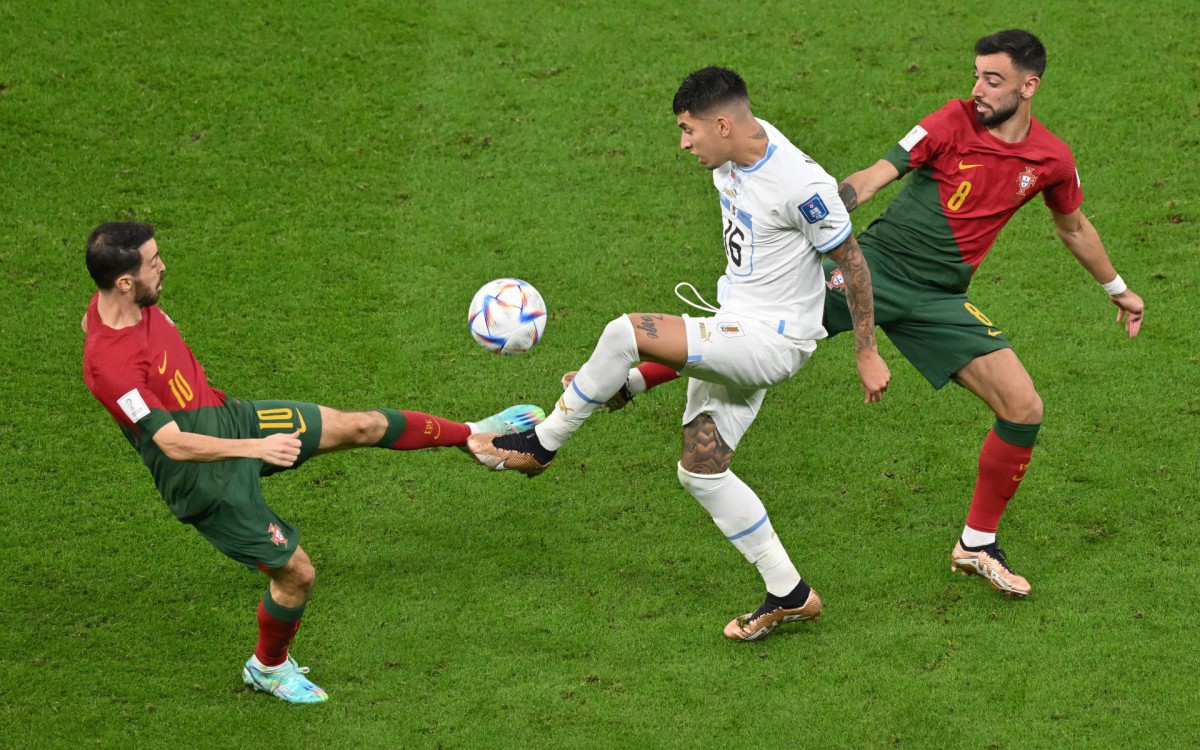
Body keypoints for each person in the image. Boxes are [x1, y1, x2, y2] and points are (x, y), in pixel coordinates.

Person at [569, 31, 1146, 599]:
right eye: (976, 74)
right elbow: (874, 176)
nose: (978, 89)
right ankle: (632, 380)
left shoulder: (1050, 158)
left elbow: (1073, 226)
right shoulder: (949, 121)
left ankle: (977, 543)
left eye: (992, 80)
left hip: (939, 299)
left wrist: (1117, 288)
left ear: (1030, 85)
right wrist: (820, 221)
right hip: (869, 268)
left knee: (1024, 407)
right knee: (758, 325)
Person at [468, 67, 890, 642]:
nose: (684, 143)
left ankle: (540, 446)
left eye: (689, 130)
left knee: (624, 332)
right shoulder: (736, 158)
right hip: (736, 326)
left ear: (721, 123)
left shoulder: (797, 183)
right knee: (701, 471)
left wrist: (866, 351)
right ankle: (789, 593)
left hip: (772, 341)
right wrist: (631, 383)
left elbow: (853, 263)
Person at [81, 221, 544, 704]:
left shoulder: (120, 306)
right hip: (204, 478)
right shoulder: (109, 365)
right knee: (297, 575)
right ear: (125, 282)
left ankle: (470, 435)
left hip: (230, 419)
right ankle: (267, 667)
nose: (162, 266)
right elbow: (173, 444)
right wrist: (258, 448)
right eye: (153, 262)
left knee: (358, 425)